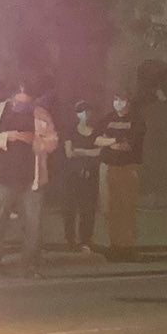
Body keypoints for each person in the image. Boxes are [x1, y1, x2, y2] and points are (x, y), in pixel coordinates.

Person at [0, 82, 58, 278]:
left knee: (34, 226)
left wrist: (39, 143)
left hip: (31, 181)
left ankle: (29, 267)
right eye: (18, 101)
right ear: (11, 99)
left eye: (26, 102)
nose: (22, 105)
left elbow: (53, 141)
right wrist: (8, 137)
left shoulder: (40, 114)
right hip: (0, 180)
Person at [97, 90, 144, 257]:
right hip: (108, 167)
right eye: (115, 99)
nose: (117, 103)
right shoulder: (107, 119)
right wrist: (114, 141)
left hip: (128, 168)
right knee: (110, 207)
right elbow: (96, 140)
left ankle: (127, 245)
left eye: (121, 100)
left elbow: (127, 145)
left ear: (128, 102)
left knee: (127, 207)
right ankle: (114, 244)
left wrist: (108, 142)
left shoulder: (136, 120)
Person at [59, 100, 102, 250]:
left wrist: (81, 151)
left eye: (87, 110)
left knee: (88, 209)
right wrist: (89, 152)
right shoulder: (70, 130)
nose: (85, 114)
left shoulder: (97, 130)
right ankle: (70, 239)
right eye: (81, 111)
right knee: (69, 208)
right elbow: (69, 152)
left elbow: (100, 152)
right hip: (72, 175)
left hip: (90, 174)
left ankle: (86, 240)